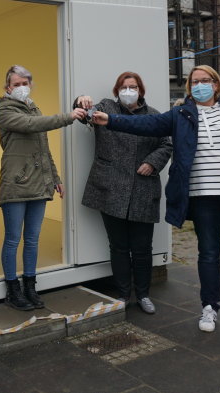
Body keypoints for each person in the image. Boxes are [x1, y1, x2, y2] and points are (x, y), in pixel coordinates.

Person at [91, 65, 220, 333]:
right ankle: (209, 307)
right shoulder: (181, 114)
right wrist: (111, 120)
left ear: (215, 84)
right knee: (208, 255)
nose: (200, 85)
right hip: (202, 199)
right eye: (195, 81)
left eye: (205, 80)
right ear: (189, 87)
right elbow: (146, 124)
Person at [74, 72, 172, 314]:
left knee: (142, 247)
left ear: (141, 90)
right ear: (117, 90)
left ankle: (144, 294)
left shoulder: (154, 115)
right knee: (118, 245)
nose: (129, 90)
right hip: (111, 187)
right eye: (124, 87)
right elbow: (82, 114)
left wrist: (152, 162)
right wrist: (80, 100)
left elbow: (167, 143)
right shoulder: (105, 107)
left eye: (133, 87)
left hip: (143, 187)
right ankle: (122, 294)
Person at [0, 65, 86, 310]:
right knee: (13, 239)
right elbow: (31, 125)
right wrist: (69, 116)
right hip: (16, 183)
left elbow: (43, 149)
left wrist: (55, 177)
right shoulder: (4, 109)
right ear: (7, 88)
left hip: (39, 183)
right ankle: (13, 290)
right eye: (16, 84)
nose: (21, 87)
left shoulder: (34, 107)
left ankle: (30, 286)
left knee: (33, 239)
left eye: (25, 83)